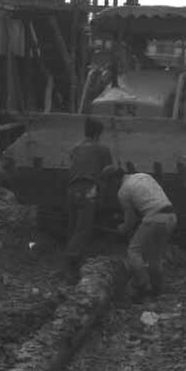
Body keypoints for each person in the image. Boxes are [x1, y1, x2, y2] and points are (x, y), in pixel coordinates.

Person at [102, 166, 178, 301]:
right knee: (154, 257)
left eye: (109, 182)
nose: (110, 186)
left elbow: (131, 219)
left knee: (133, 251)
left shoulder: (123, 191)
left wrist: (122, 229)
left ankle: (143, 287)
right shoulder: (143, 176)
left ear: (115, 179)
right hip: (171, 217)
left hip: (154, 218)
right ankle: (157, 289)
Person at [64, 117, 113, 281]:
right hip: (88, 190)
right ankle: (71, 264)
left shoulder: (75, 148)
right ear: (98, 133)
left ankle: (73, 265)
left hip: (71, 189)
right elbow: (108, 172)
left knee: (72, 227)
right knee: (83, 229)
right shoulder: (102, 149)